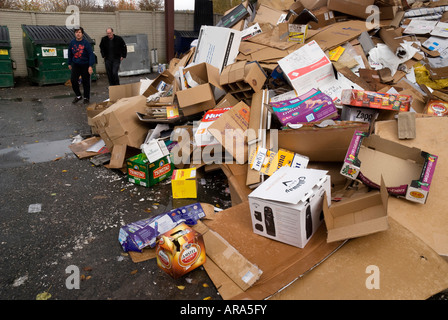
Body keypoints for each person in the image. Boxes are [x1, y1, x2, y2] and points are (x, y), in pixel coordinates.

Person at [67, 27, 95, 104]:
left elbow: (91, 54)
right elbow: (70, 53)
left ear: (82, 34)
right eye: (76, 32)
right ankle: (78, 96)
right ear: (74, 34)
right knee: (73, 80)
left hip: (85, 64)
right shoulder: (72, 42)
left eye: (79, 32)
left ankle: (86, 97)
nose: (78, 34)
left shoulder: (86, 43)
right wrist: (69, 63)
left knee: (86, 82)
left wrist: (90, 66)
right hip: (76, 64)